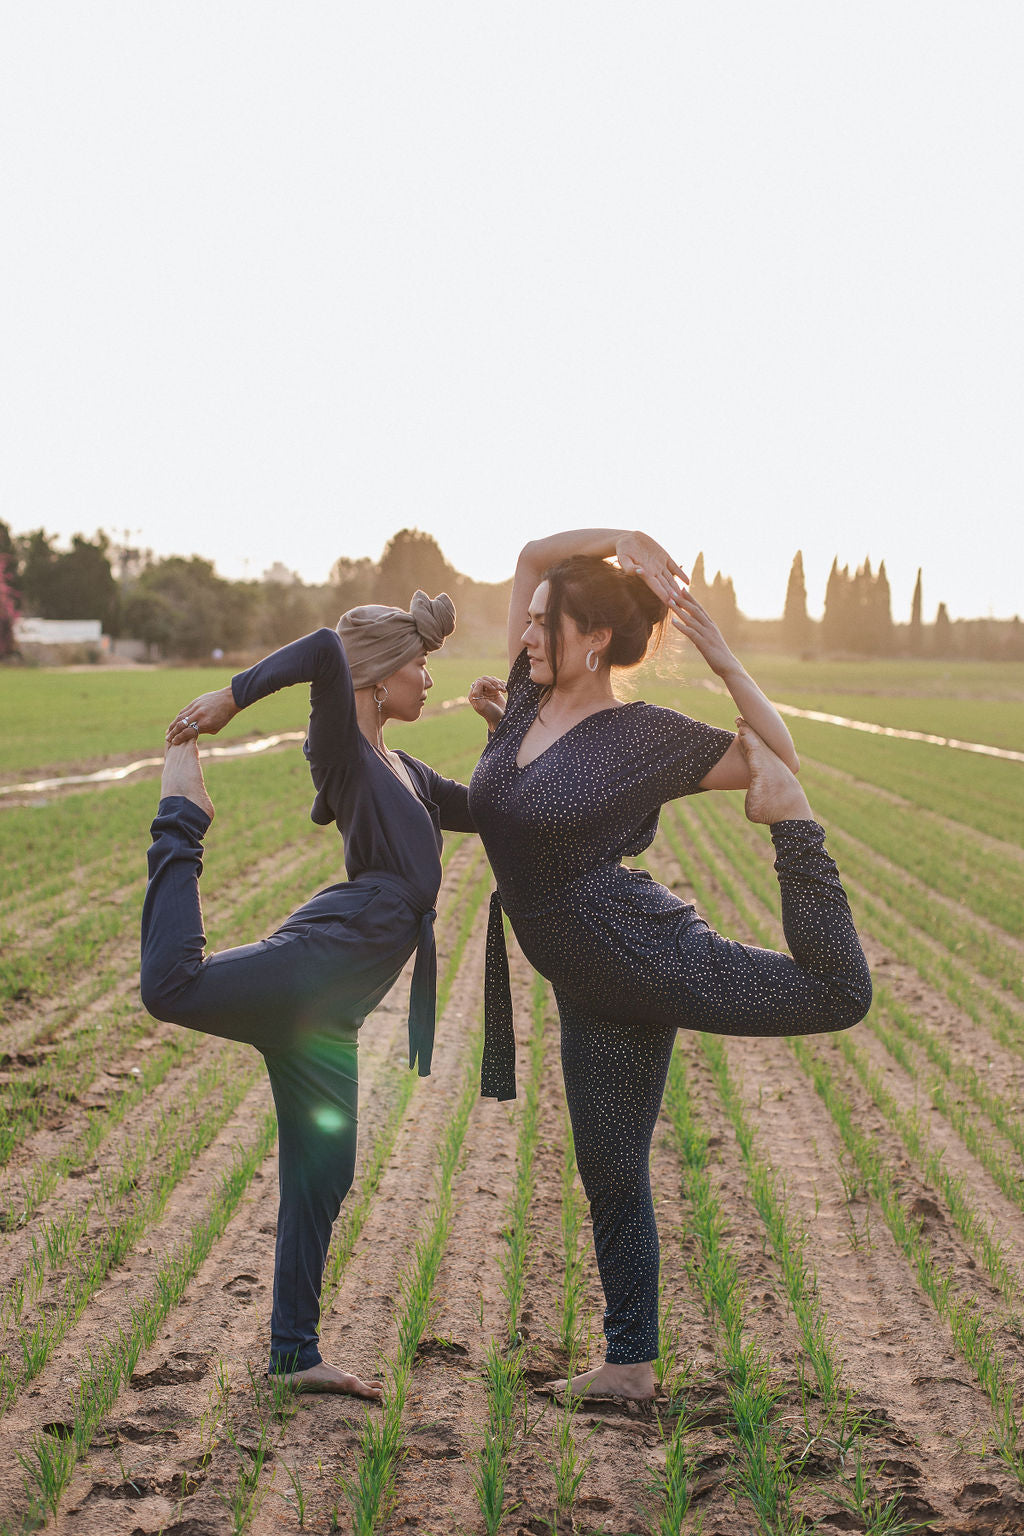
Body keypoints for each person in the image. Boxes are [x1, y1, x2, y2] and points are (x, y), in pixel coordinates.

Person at [467, 530, 872, 1402]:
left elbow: (774, 753)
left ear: (594, 640)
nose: (528, 635)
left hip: (639, 953)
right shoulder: (526, 701)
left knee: (837, 994)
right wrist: (622, 539)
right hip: (586, 981)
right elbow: (535, 553)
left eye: (546, 625)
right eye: (530, 622)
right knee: (609, 1171)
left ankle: (799, 839)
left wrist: (724, 660)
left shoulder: (639, 736)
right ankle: (630, 1365)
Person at [140, 593, 475, 1398]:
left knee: (324, 1173)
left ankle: (295, 1353)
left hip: (330, 1015)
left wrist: (512, 722)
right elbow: (325, 647)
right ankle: (180, 817)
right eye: (419, 665)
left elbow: (491, 809)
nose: (429, 681)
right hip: (319, 964)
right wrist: (232, 696)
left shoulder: (405, 770)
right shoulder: (345, 751)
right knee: (173, 985)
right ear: (377, 674)